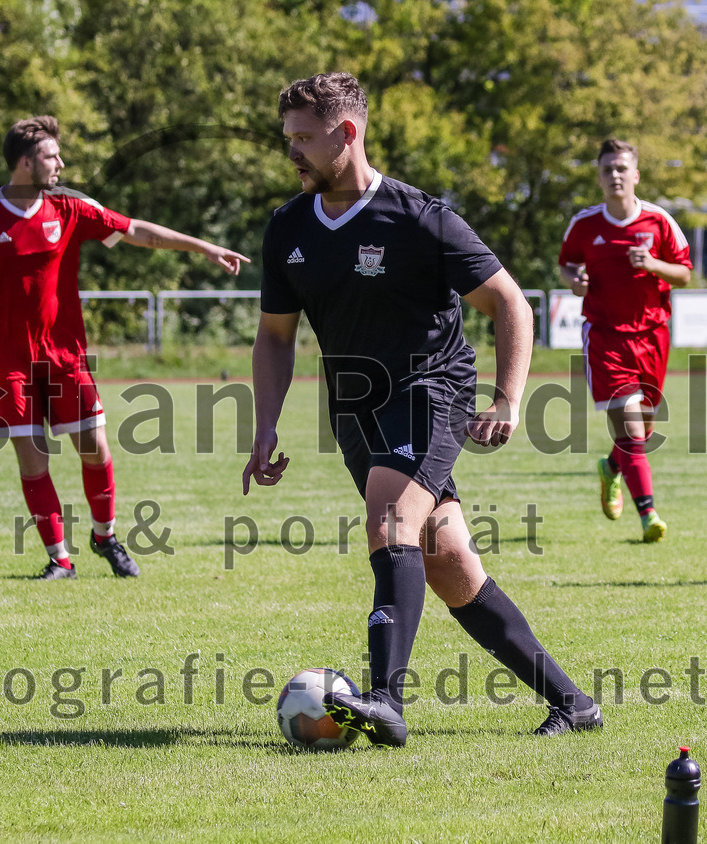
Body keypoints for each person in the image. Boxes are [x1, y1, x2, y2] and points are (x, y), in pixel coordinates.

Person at [243, 72, 602, 747]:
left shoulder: (418, 217)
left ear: (346, 134)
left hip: (431, 390)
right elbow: (275, 334)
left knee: (390, 518)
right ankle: (573, 703)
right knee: (446, 561)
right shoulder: (287, 226)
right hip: (354, 408)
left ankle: (385, 699)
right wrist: (264, 423)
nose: (290, 152)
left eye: (303, 139)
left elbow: (509, 303)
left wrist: (507, 398)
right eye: (286, 137)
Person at [0, 115, 249, 580]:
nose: (61, 164)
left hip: (64, 356)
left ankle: (104, 536)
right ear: (26, 163)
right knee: (33, 459)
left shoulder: (69, 207)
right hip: (7, 362)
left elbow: (138, 231)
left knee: (96, 448)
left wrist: (204, 248)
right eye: (51, 156)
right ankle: (59, 559)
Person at [559, 139, 691, 543]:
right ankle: (648, 514)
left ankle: (612, 468)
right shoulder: (585, 224)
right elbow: (566, 264)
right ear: (599, 177)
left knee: (643, 433)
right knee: (632, 431)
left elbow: (684, 274)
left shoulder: (659, 221)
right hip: (605, 337)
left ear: (635, 175)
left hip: (653, 336)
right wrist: (574, 281)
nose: (614, 175)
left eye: (621, 168)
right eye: (607, 169)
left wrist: (652, 264)